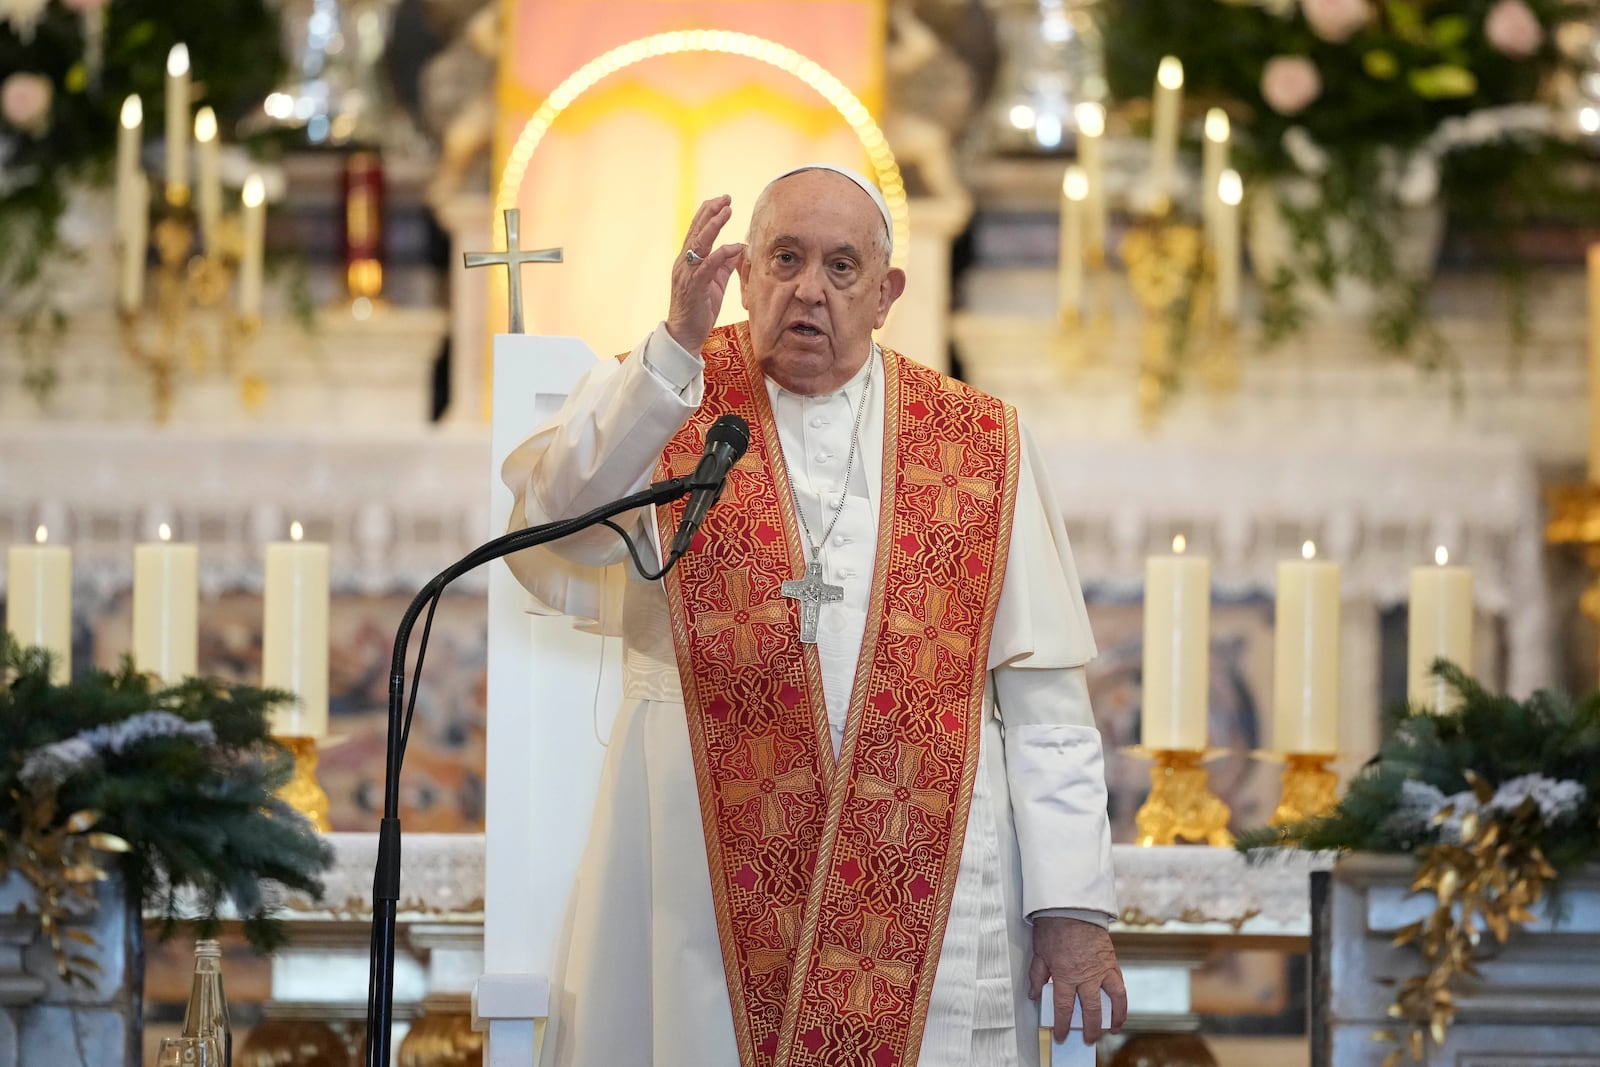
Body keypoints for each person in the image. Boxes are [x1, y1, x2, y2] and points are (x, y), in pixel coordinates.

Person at [501, 163, 1125, 1067]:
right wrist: (671, 348)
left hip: (920, 891)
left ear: (886, 293)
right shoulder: (667, 399)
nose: (808, 291)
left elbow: (1047, 701)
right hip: (700, 874)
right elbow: (557, 525)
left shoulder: (978, 442)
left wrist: (1071, 907)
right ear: (744, 273)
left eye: (841, 267)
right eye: (785, 259)